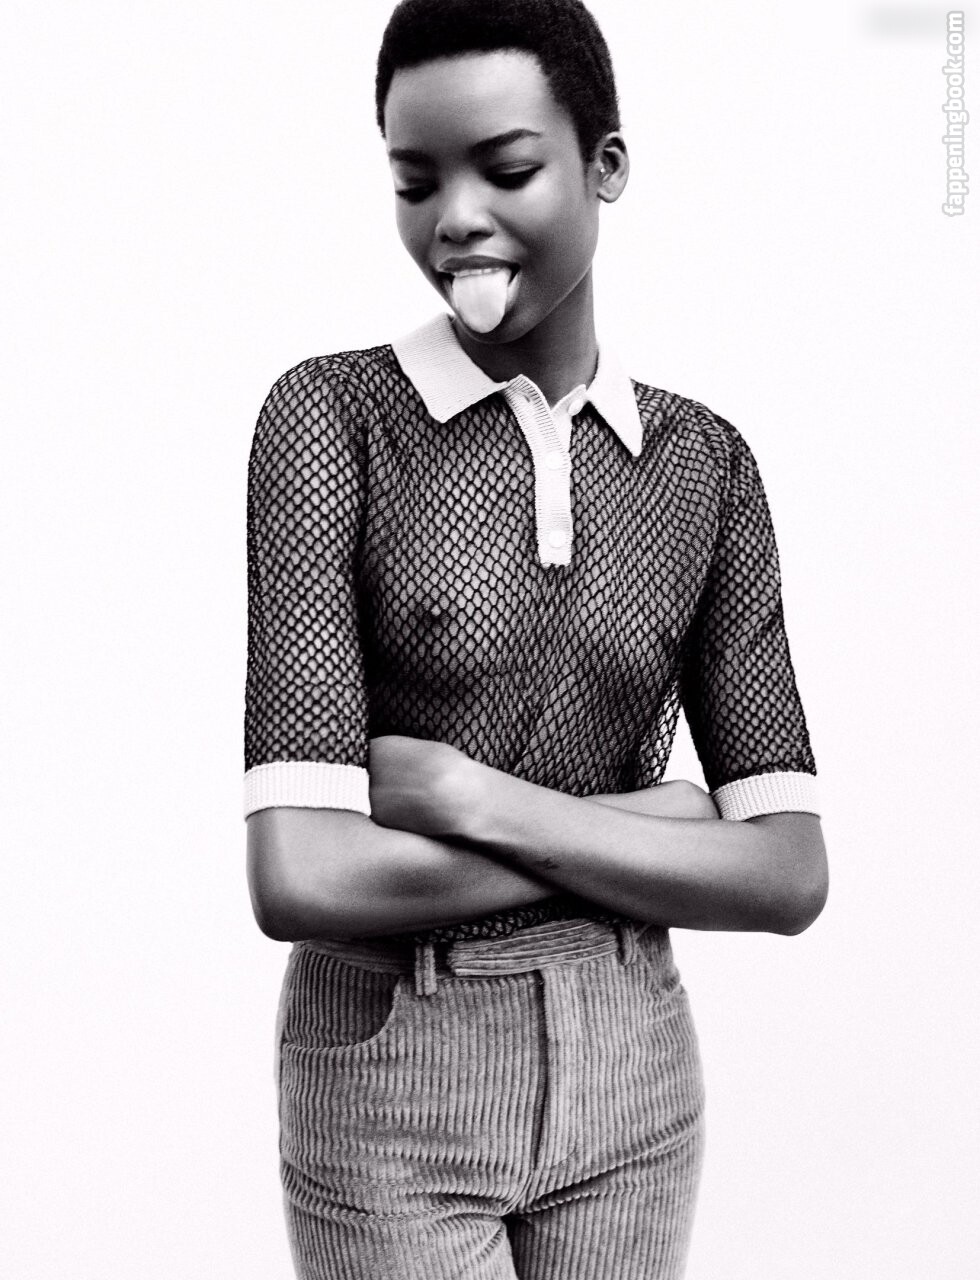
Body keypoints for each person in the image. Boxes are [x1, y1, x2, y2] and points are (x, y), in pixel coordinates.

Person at [243, 1, 828, 1276]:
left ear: (603, 166)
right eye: (415, 181)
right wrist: (656, 826)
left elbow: (786, 872)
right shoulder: (331, 419)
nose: (454, 217)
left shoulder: (703, 465)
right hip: (392, 1069)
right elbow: (300, 877)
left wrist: (471, 798)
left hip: (634, 1069)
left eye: (504, 169)